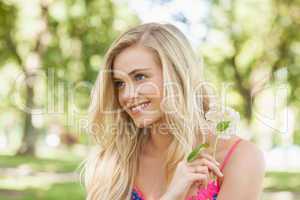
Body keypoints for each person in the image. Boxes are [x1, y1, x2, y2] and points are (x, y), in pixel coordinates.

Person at [83, 22, 265, 200]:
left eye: (140, 77)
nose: (127, 95)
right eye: (120, 83)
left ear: (177, 75)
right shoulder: (113, 161)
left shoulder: (239, 158)